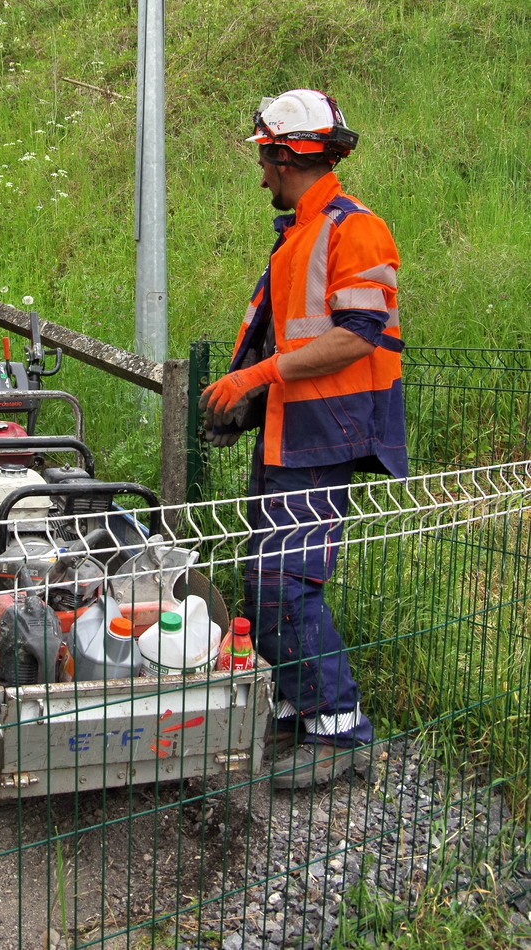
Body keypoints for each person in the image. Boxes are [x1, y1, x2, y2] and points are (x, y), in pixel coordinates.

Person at [200, 89, 407, 790]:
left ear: (288, 156)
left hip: (323, 433)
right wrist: (250, 402)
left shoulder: (356, 229)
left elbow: (358, 334)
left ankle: (341, 729)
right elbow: (286, 335)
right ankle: (294, 705)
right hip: (290, 430)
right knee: (265, 581)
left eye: (265, 159)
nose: (260, 174)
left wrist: (255, 376)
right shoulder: (300, 233)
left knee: (287, 584)